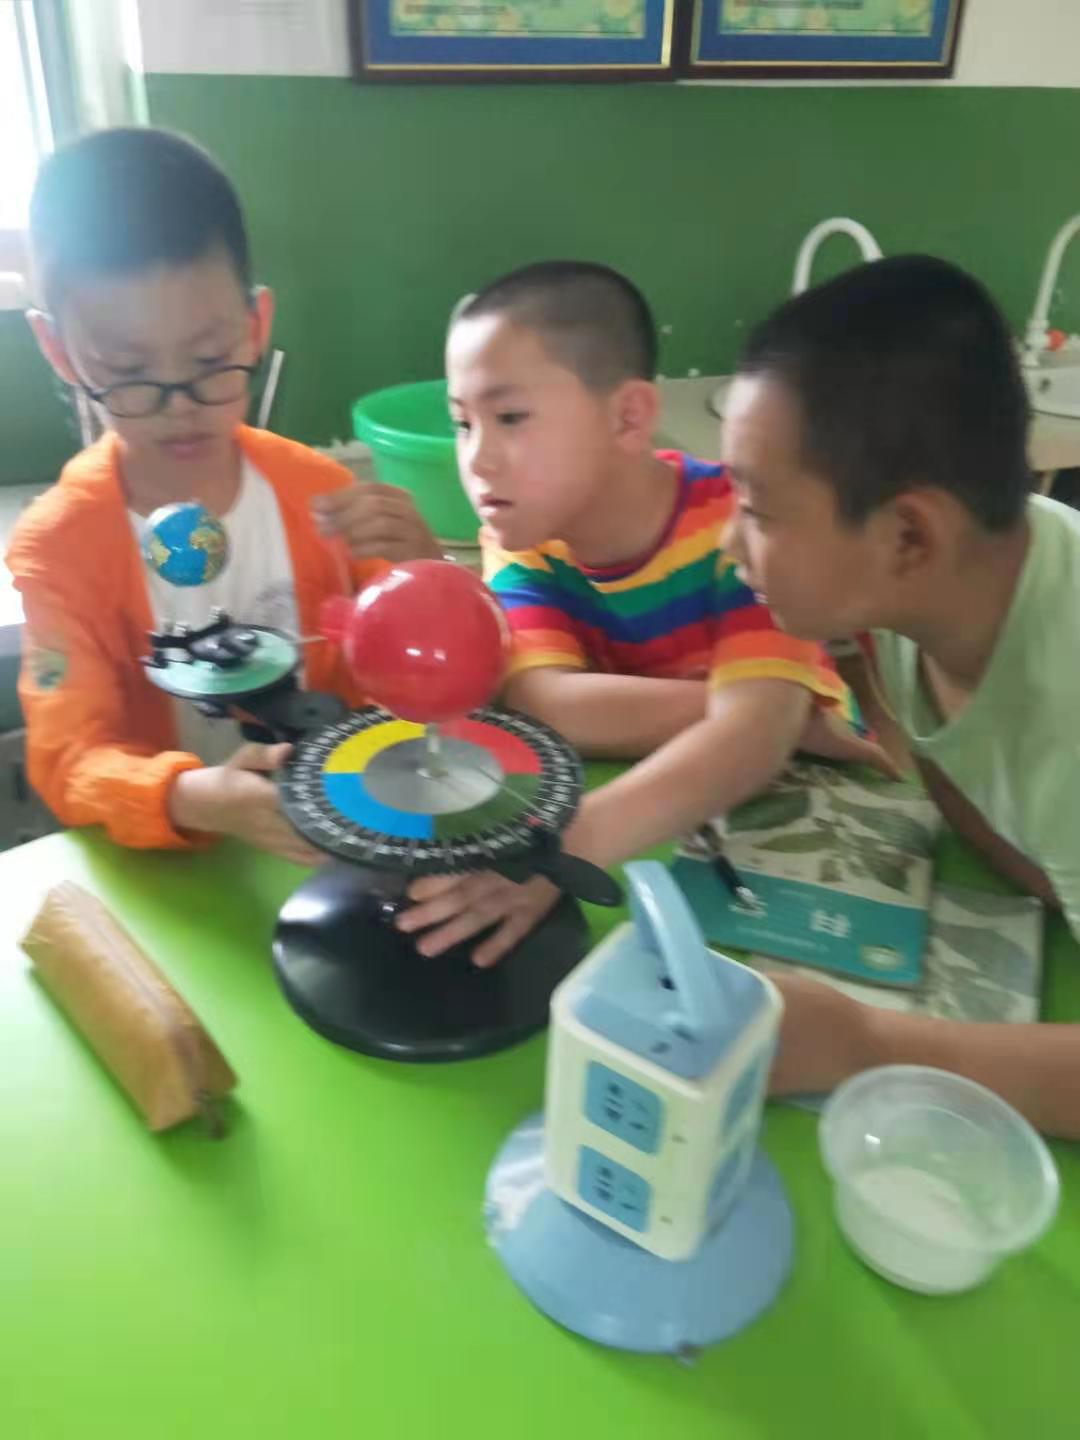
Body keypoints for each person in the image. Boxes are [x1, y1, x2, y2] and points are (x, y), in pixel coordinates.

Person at [398, 260, 883, 967]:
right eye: (462, 423)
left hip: (820, 818)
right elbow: (545, 702)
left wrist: (565, 846)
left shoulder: (741, 525)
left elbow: (751, 745)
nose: (477, 459)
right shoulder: (523, 538)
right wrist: (771, 719)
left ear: (627, 416)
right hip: (663, 818)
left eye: (510, 418)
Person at [720, 253, 1080, 1138]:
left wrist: (864, 1044)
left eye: (758, 512)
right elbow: (971, 797)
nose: (730, 546)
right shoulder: (922, 599)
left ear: (909, 536)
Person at [7, 127, 437, 864]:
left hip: (338, 846)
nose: (180, 407)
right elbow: (68, 754)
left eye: (210, 360)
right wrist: (187, 796)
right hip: (175, 870)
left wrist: (426, 579)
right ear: (58, 351)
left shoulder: (322, 496)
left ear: (255, 326)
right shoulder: (60, 549)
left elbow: (418, 679)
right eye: (129, 371)